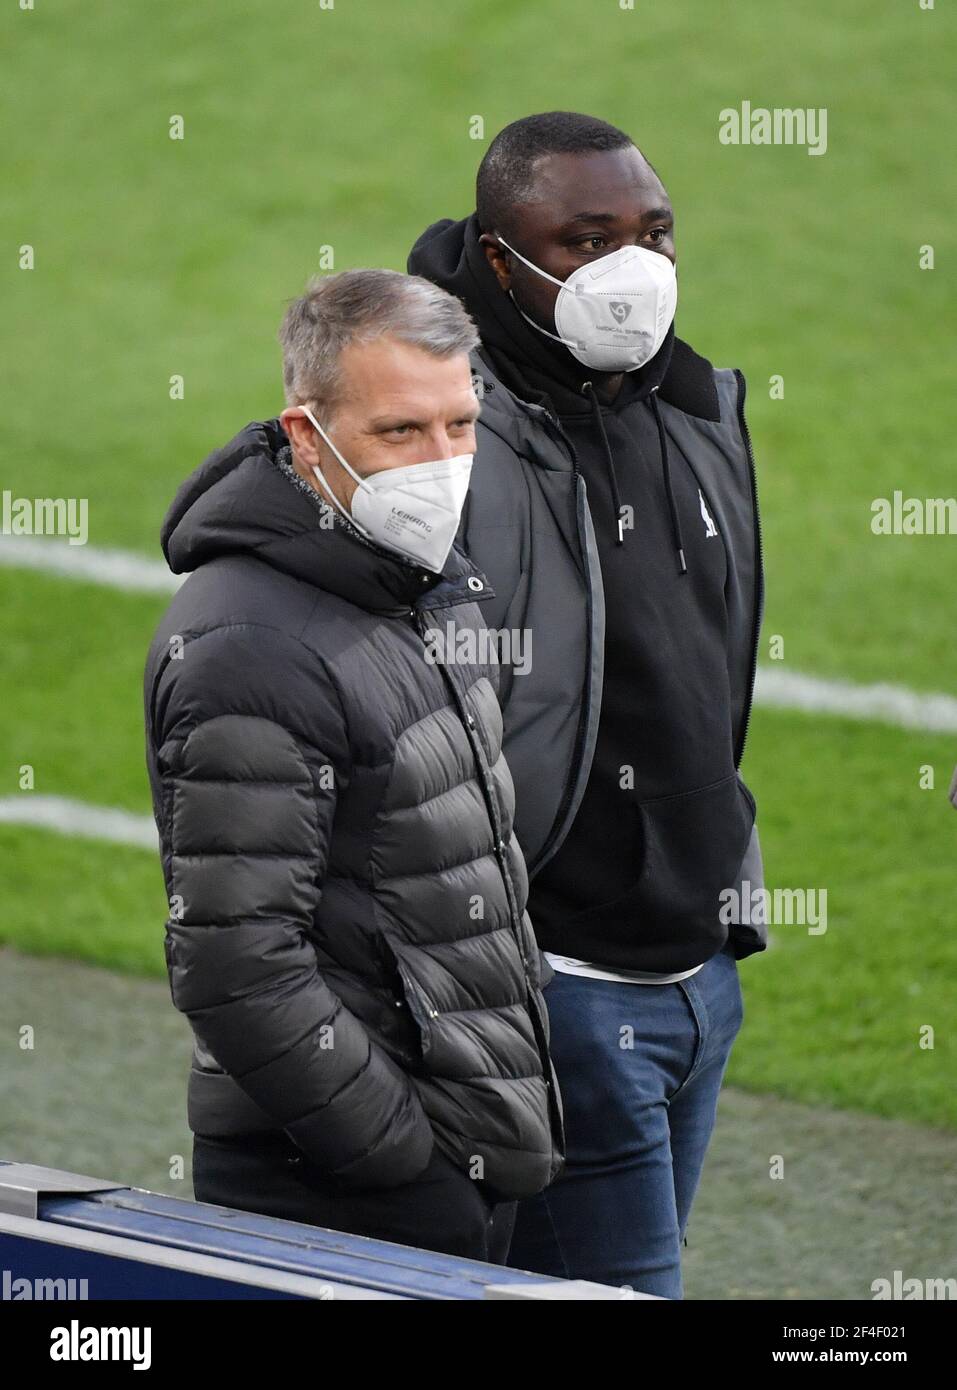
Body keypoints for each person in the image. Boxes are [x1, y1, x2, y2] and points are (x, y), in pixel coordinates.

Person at [408, 110, 766, 1297]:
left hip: (697, 974)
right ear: (500, 259)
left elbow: (708, 667)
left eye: (655, 234)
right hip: (557, 985)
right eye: (585, 240)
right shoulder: (444, 437)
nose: (632, 271)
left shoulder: (697, 405)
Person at [143, 268, 564, 1263]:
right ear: (305, 434)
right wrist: (401, 1155)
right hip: (347, 1186)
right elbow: (239, 963)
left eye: (460, 425)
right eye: (400, 432)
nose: (445, 462)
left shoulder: (425, 580)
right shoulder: (250, 644)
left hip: (460, 1159)